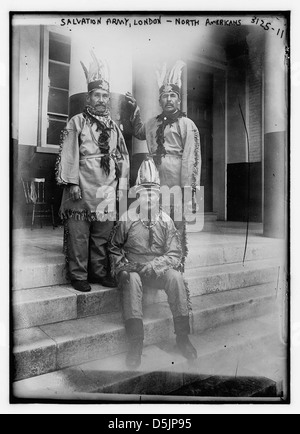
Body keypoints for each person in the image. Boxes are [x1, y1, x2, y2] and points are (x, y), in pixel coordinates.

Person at [108, 158, 197, 369]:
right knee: (131, 279)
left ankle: (183, 338)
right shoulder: (127, 219)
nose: (148, 197)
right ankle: (135, 343)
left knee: (176, 278)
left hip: (158, 270)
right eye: (144, 193)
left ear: (158, 196)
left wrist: (156, 265)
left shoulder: (165, 220)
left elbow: (175, 252)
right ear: (137, 195)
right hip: (135, 269)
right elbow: (114, 247)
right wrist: (123, 266)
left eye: (153, 193)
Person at [56, 52, 129, 293]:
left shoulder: (114, 126)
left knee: (102, 234)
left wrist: (120, 182)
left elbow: (123, 156)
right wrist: (72, 182)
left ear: (108, 99)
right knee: (79, 234)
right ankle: (78, 275)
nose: (101, 99)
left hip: (106, 186)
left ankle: (98, 272)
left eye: (105, 96)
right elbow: (69, 152)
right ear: (88, 98)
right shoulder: (77, 121)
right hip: (82, 184)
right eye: (96, 95)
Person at [125, 61, 201, 264]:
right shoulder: (153, 123)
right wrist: (135, 109)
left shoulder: (187, 125)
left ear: (178, 100)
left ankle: (176, 263)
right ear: (160, 100)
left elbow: (191, 159)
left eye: (173, 95)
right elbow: (139, 131)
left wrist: (188, 191)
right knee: (155, 221)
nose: (169, 99)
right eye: (165, 96)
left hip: (176, 180)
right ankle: (156, 262)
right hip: (154, 181)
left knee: (176, 223)